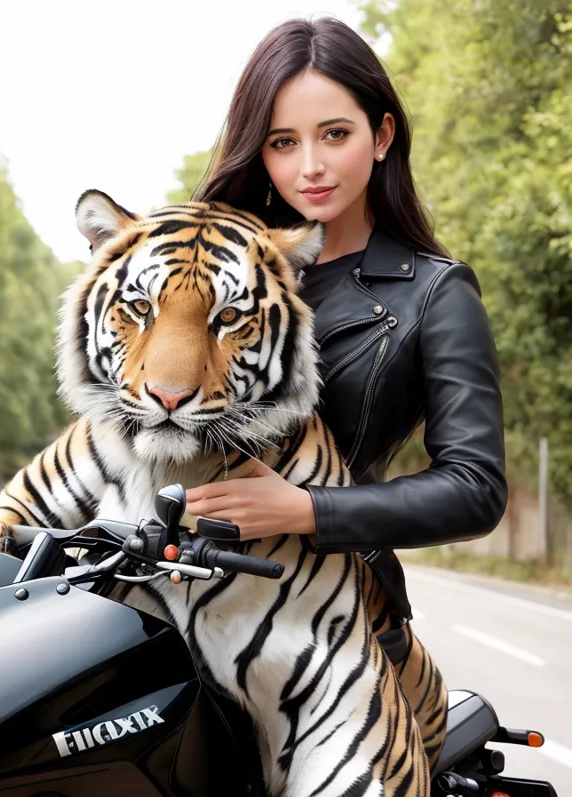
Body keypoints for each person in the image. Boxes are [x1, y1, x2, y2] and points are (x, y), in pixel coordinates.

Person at [186, 15, 507, 657]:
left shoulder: (436, 294)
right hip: (183, 584)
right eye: (282, 142)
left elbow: (476, 486)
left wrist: (309, 510)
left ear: (381, 134)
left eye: (335, 134)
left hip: (334, 615)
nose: (311, 166)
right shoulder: (212, 266)